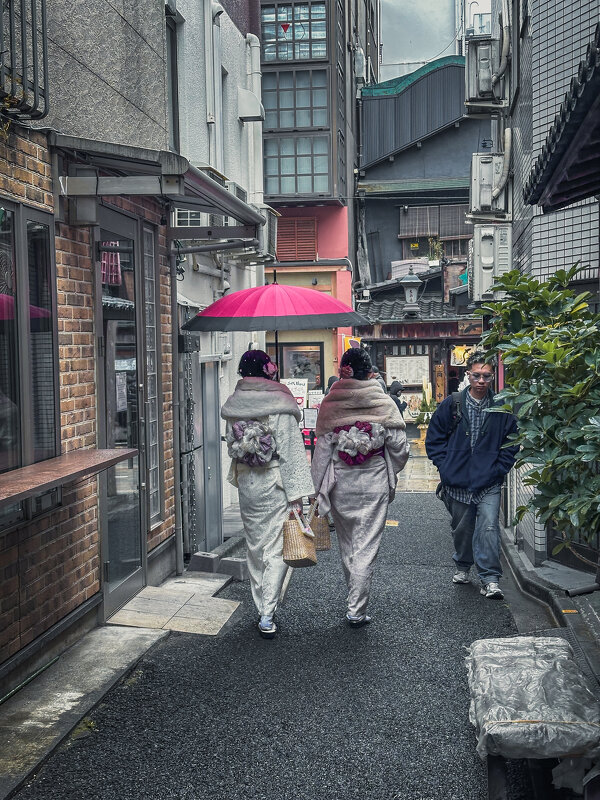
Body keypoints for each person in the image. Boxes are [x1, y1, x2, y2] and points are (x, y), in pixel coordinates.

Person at [311, 348, 409, 627]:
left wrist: (317, 489)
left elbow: (321, 454)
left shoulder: (331, 403)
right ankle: (356, 609)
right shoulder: (383, 402)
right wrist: (392, 468)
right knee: (366, 544)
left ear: (344, 370)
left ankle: (355, 598)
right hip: (374, 479)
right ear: (370, 373)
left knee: (348, 542)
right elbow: (399, 449)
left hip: (340, 482)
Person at [221, 350, 314, 639]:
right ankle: (267, 613)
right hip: (274, 480)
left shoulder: (235, 403)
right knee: (276, 549)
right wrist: (299, 494)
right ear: (266, 369)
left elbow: (231, 443)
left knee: (255, 545)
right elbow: (289, 449)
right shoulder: (279, 402)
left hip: (249, 480)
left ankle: (261, 603)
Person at [425, 351, 518, 599]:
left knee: (488, 527)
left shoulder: (501, 407)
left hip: (488, 480)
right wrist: (446, 467)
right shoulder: (453, 404)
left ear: (492, 378)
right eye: (476, 375)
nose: (481, 381)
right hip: (457, 481)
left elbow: (512, 442)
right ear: (468, 375)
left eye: (486, 376)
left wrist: (499, 470)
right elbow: (434, 439)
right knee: (462, 530)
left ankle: (490, 578)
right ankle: (463, 565)